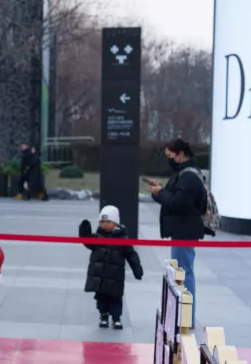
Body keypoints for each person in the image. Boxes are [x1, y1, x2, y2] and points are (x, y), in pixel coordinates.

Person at [145, 138, 206, 327]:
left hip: (184, 231)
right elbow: (173, 198)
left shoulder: (188, 176)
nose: (168, 160)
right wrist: (160, 192)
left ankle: (186, 317)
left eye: (170, 156)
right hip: (181, 229)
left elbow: (180, 203)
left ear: (181, 154)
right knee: (181, 272)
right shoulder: (183, 173)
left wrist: (161, 193)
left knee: (184, 272)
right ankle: (183, 315)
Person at [79, 205, 143, 329]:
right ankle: (103, 316)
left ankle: (116, 318)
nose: (105, 224)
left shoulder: (123, 239)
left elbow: (130, 254)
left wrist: (137, 268)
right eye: (102, 222)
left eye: (108, 222)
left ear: (115, 223)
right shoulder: (97, 237)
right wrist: (84, 232)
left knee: (115, 298)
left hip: (115, 277)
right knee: (101, 298)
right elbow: (87, 242)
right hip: (100, 277)